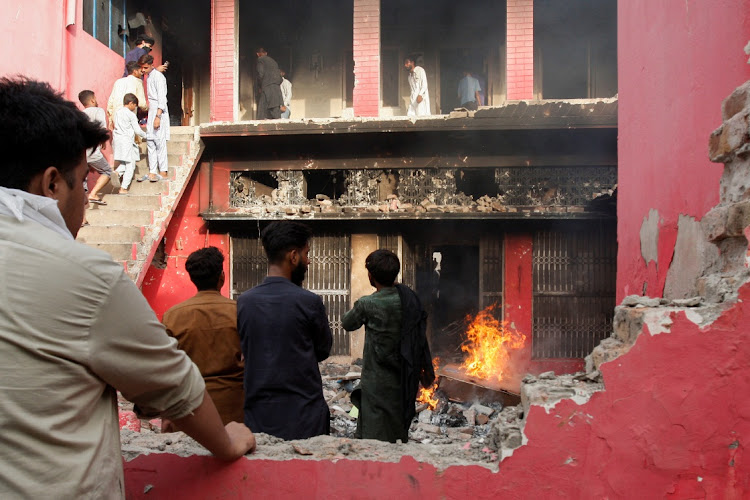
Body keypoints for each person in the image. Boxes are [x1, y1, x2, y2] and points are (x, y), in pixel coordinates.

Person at [0, 77, 255, 499]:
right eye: (83, 183)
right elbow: (175, 387)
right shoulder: (86, 276)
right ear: (51, 184)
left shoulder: (175, 315)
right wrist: (227, 443)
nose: (85, 201)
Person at [237, 221, 332, 440]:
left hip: (258, 416)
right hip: (304, 417)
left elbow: (245, 349)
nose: (308, 261)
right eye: (306, 254)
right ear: (293, 257)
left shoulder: (245, 302)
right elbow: (322, 351)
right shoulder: (309, 302)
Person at [342, 249, 435, 443]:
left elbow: (347, 323)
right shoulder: (409, 299)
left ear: (371, 275)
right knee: (397, 432)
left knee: (373, 437)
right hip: (402, 378)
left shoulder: (367, 304)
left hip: (376, 383)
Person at [162, 247, 244, 426]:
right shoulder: (239, 311)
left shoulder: (172, 315)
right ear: (222, 277)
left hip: (190, 406)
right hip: (235, 406)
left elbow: (165, 367)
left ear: (193, 279)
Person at [78, 90, 114, 205]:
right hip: (92, 152)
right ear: (93, 99)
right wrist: (103, 140)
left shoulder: (81, 115)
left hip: (81, 153)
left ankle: (83, 218)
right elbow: (101, 127)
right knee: (107, 171)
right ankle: (93, 194)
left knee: (83, 182)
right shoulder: (98, 111)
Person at [138, 54, 169, 182]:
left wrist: (158, 116)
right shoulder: (150, 76)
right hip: (152, 110)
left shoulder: (159, 77)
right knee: (150, 141)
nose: (143, 70)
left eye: (145, 67)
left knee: (160, 142)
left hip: (159, 111)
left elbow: (162, 98)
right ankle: (152, 171)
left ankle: (163, 171)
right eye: (142, 68)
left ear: (151, 65)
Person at [112, 93, 147, 193]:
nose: (135, 107)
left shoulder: (117, 112)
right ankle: (123, 188)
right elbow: (138, 130)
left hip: (117, 140)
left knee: (124, 162)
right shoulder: (130, 115)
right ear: (131, 103)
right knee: (131, 164)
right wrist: (147, 136)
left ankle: (117, 172)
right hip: (126, 140)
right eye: (135, 105)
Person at [107, 61, 148, 128]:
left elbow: (110, 103)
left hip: (116, 117)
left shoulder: (118, 82)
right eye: (140, 71)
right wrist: (149, 109)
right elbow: (142, 104)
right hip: (129, 117)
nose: (141, 74)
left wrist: (111, 120)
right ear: (135, 71)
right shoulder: (138, 82)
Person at [255, 47, 283, 120]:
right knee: (275, 110)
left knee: (262, 111)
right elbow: (280, 78)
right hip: (276, 88)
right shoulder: (274, 62)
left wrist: (260, 86)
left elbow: (260, 74)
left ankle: (259, 128)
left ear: (258, 54)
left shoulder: (260, 60)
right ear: (266, 53)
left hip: (267, 87)